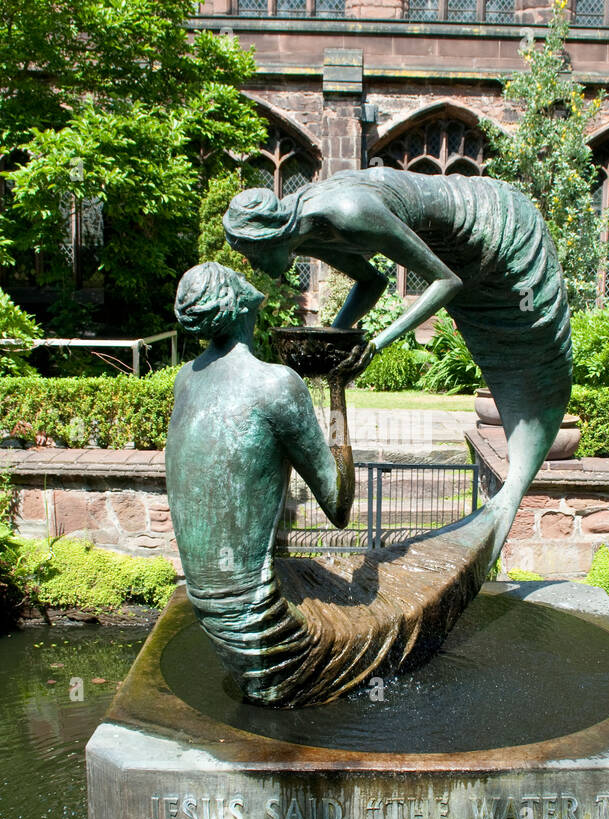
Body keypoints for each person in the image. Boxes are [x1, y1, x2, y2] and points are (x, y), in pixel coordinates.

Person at [223, 166, 572, 558]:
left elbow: (446, 282)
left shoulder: (347, 212)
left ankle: (505, 505)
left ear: (270, 235)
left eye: (251, 255)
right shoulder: (308, 230)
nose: (254, 267)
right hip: (458, 253)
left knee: (529, 364)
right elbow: (372, 283)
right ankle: (494, 522)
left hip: (499, 238)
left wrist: (377, 343)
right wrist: (335, 336)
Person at [167, 261, 360, 705]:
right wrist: (336, 387)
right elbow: (339, 506)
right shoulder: (274, 384)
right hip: (265, 634)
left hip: (212, 620)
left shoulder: (186, 380)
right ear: (239, 307)